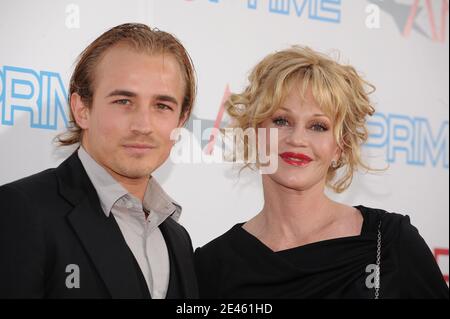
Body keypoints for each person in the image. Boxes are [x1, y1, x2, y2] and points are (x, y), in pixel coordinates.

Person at [194, 46, 449, 299]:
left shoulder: (390, 241)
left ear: (340, 146)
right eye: (281, 121)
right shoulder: (212, 264)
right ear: (255, 131)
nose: (298, 139)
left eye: (318, 126)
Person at [0, 23, 198, 299]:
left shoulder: (177, 239)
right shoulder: (21, 211)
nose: (143, 125)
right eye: (123, 101)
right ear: (82, 109)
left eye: (162, 106)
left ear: (181, 120)